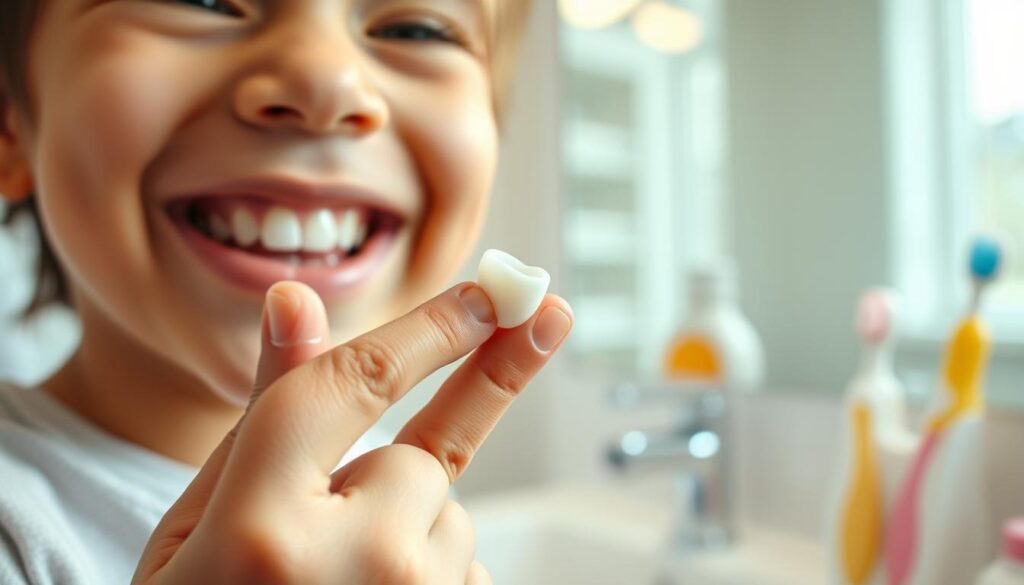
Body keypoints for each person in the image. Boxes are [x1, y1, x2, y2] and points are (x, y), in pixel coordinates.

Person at [0, 1, 573, 583]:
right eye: (201, 1)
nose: (324, 81)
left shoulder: (405, 490)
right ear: (8, 122)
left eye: (415, 29)